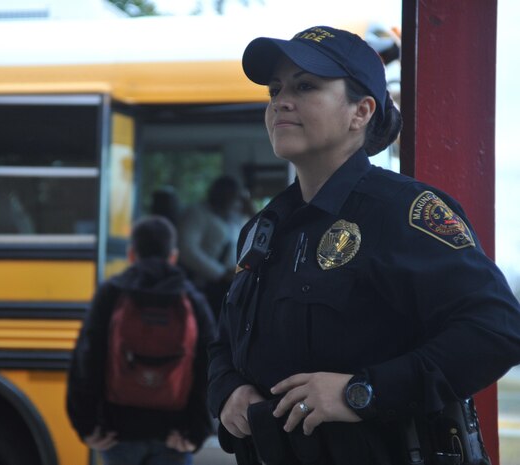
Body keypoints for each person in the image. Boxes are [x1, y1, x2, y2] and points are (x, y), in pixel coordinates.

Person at [207, 25, 520, 464]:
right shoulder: (263, 230)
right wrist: (228, 392)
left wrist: (362, 392)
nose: (281, 100)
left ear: (361, 112)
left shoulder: (403, 211)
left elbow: (496, 331)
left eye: (305, 85)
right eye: (275, 89)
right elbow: (223, 344)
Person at [67, 215, 216, 465]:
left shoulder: (111, 293)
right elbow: (208, 363)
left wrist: (86, 426)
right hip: (174, 434)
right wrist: (197, 432)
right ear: (173, 256)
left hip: (117, 432)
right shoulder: (191, 299)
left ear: (131, 254)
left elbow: (86, 357)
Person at [178, 176, 250, 318]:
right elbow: (187, 250)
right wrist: (221, 273)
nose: (231, 199)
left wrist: (250, 208)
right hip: (204, 286)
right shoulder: (197, 213)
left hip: (230, 285)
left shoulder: (234, 218)